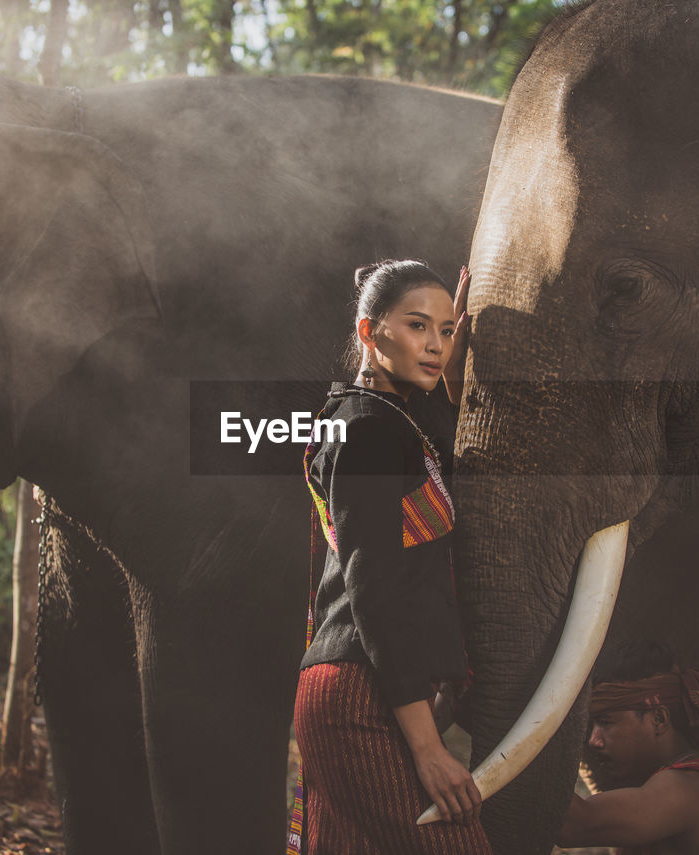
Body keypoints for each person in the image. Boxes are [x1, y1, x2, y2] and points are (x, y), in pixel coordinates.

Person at [289, 259, 491, 854]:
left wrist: (456, 387)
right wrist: (429, 751)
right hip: (358, 696)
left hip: (363, 686)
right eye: (417, 326)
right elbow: (373, 586)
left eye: (447, 332)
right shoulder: (370, 430)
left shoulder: (381, 421)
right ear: (369, 332)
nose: (435, 346)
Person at [558, 641, 699, 855]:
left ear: (658, 719)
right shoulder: (692, 778)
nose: (594, 741)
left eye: (606, 723)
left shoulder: (686, 786)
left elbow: (574, 825)